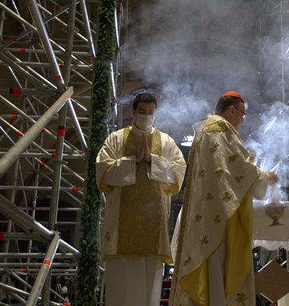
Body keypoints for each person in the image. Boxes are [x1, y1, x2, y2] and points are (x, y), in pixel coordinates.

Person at [170, 91, 278, 306]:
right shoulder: (221, 131)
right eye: (243, 114)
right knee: (217, 270)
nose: (243, 120)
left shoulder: (205, 132)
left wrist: (246, 161)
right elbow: (238, 172)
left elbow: (224, 169)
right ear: (231, 110)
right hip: (217, 219)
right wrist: (266, 177)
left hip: (206, 213)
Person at [96, 92, 186, 306]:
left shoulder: (166, 142)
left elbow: (177, 176)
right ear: (133, 112)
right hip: (122, 229)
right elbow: (102, 173)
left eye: (151, 113)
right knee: (122, 290)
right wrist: (131, 161)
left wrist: (151, 160)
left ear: (156, 114)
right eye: (142, 112)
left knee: (149, 293)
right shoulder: (116, 139)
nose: (146, 116)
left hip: (153, 229)